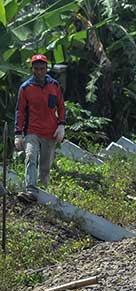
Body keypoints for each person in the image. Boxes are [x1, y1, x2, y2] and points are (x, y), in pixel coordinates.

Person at [14, 54, 66, 202]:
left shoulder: (54, 85)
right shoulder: (25, 88)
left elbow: (61, 106)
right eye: (36, 69)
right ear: (32, 69)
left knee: (45, 165)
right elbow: (20, 111)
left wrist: (61, 125)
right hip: (32, 131)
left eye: (42, 69)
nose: (39, 72)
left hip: (50, 132)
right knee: (30, 157)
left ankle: (42, 192)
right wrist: (18, 134)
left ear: (46, 69)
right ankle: (30, 190)